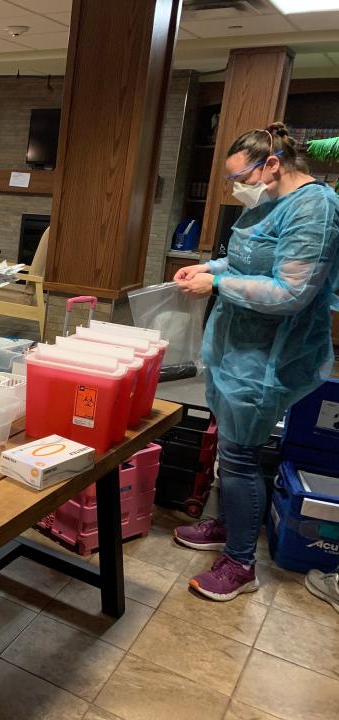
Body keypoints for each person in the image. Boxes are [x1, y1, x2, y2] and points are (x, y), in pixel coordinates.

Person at [173, 123, 339, 601]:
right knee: (231, 447)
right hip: (237, 348)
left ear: (271, 164)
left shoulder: (315, 209)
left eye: (240, 176)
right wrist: (211, 267)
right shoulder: (270, 199)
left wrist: (218, 286)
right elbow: (249, 261)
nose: (236, 187)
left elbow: (290, 291)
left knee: (243, 456)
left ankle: (241, 564)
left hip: (270, 357)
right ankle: (228, 526)